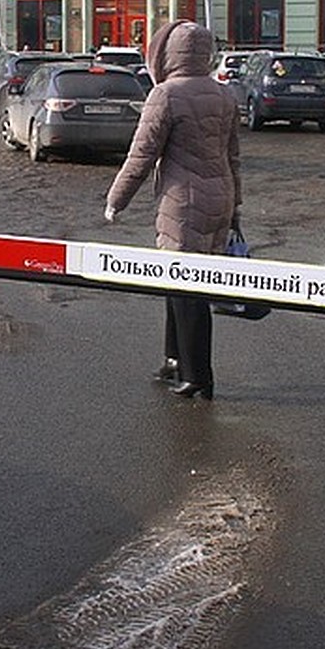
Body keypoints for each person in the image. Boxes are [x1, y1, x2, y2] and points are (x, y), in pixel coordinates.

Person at [104, 20, 241, 401]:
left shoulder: (165, 95)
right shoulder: (224, 94)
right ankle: (173, 358)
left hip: (184, 204)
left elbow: (142, 155)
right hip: (220, 198)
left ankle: (198, 375)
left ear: (166, 53)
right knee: (176, 282)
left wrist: (117, 200)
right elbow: (234, 157)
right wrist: (237, 209)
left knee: (187, 289)